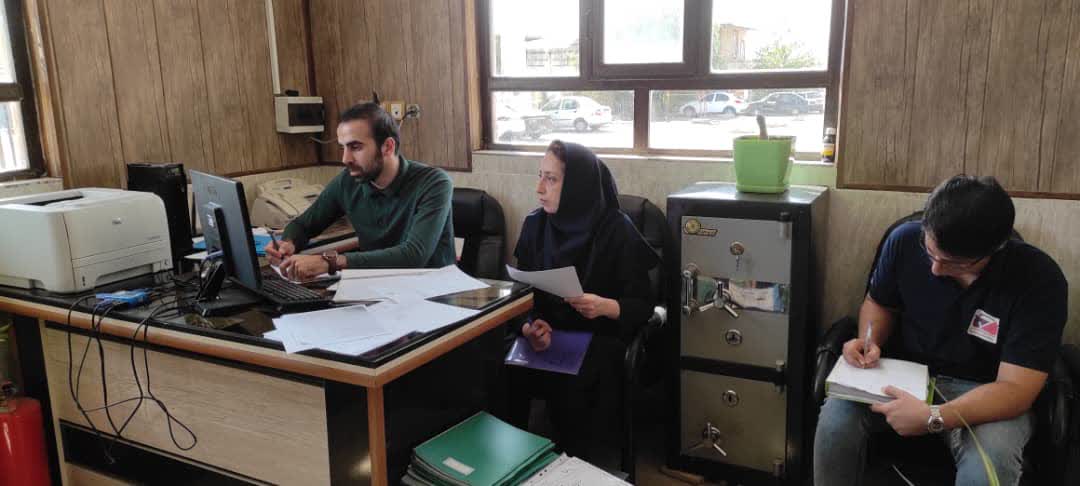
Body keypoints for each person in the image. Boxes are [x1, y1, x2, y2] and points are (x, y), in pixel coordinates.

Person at [814, 176, 1068, 486]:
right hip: (903, 374)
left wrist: (934, 417)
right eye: (930, 251)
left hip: (985, 390)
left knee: (989, 466)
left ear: (995, 250)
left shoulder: (1039, 279)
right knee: (835, 425)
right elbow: (879, 303)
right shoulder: (905, 240)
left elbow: (1016, 389)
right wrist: (870, 340)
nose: (935, 269)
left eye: (953, 263)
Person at [507, 140, 659, 465]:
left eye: (551, 179)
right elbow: (521, 292)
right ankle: (510, 467)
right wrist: (530, 325)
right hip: (548, 333)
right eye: (539, 176)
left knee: (573, 385)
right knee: (500, 369)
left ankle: (572, 470)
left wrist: (603, 305)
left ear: (577, 185)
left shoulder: (616, 229)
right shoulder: (535, 224)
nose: (539, 188)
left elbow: (644, 304)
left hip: (599, 336)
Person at [265, 102, 455, 280]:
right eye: (343, 147)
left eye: (355, 147)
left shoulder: (434, 182)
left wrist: (330, 262)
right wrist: (287, 243)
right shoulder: (348, 181)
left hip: (432, 291)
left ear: (388, 147)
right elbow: (303, 225)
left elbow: (414, 256)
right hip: (375, 286)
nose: (345, 159)